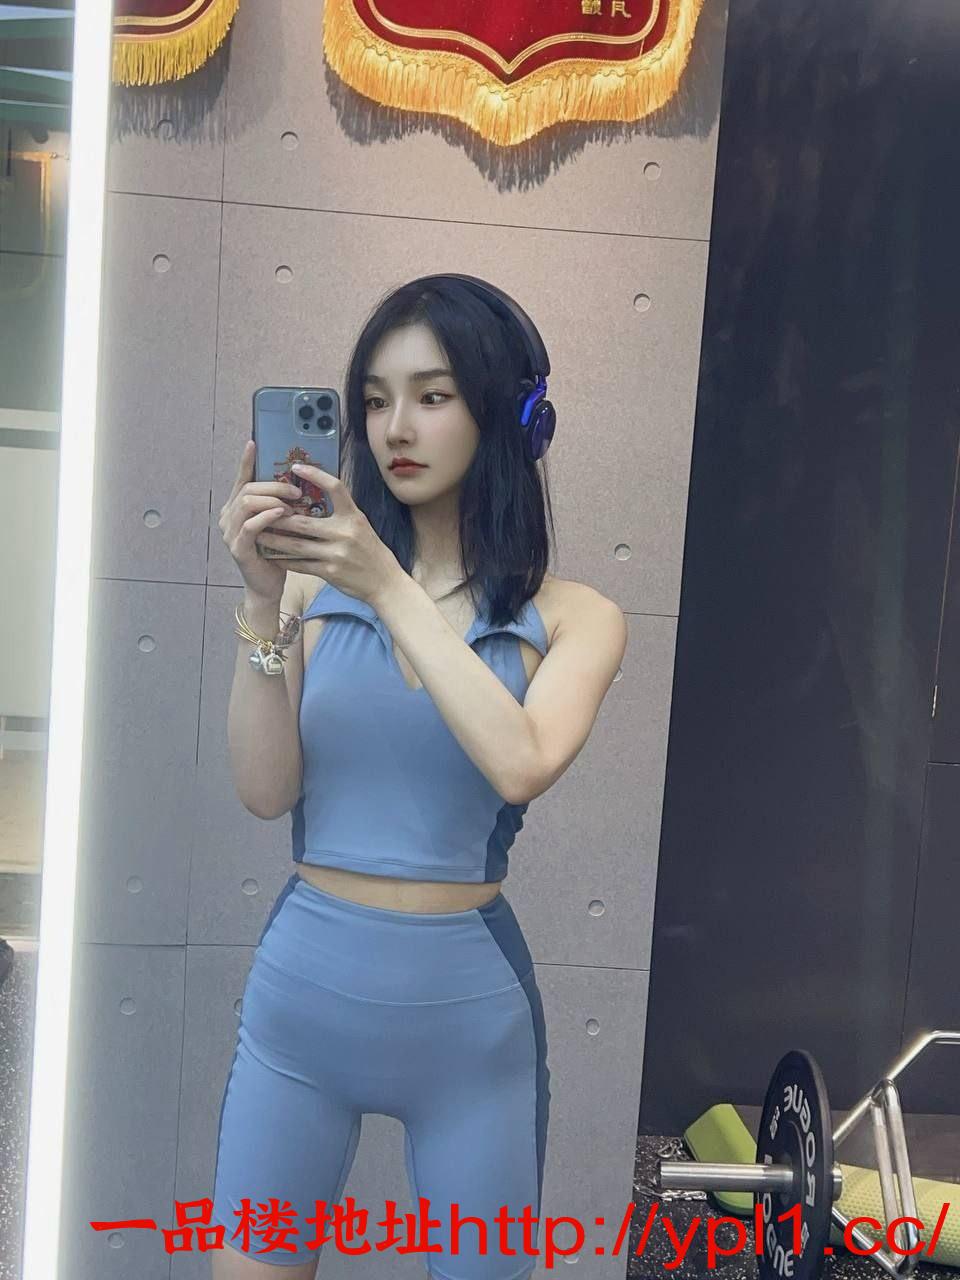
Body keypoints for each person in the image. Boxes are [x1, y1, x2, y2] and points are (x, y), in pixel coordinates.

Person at [211, 275, 627, 1279]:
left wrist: (385, 583)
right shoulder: (308, 589)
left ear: (511, 416)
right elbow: (265, 792)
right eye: (375, 399)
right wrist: (264, 604)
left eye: (432, 395)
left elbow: (521, 762)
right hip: (301, 1003)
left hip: (470, 1029)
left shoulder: (576, 616)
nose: (396, 427)